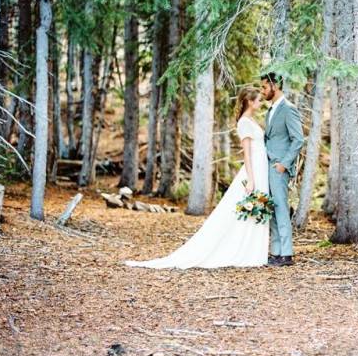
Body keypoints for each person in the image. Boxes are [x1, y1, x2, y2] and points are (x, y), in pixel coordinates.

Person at [126, 86, 269, 269]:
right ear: (250, 101)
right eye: (258, 99)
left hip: (261, 166)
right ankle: (243, 249)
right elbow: (247, 154)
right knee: (245, 207)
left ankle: (253, 248)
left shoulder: (251, 120)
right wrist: (250, 178)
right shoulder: (244, 122)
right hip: (254, 168)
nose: (261, 102)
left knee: (257, 206)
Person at [260, 72, 304, 267]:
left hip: (278, 168)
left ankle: (286, 253)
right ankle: (276, 252)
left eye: (264, 87)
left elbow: (298, 140)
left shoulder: (288, 109)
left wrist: (284, 164)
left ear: (274, 86)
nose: (262, 92)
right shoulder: (270, 111)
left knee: (281, 208)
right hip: (266, 166)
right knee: (272, 209)